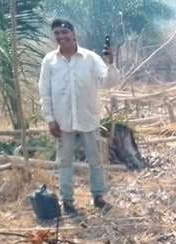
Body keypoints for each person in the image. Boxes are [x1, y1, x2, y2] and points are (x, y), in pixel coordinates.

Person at [38, 19, 119, 216]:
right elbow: (44, 92)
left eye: (64, 33)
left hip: (88, 118)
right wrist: (50, 119)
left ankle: (99, 198)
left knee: (95, 160)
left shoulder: (90, 58)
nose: (61, 37)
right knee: (64, 162)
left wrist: (111, 63)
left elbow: (109, 82)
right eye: (57, 33)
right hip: (62, 121)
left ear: (73, 34)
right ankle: (67, 202)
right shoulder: (49, 61)